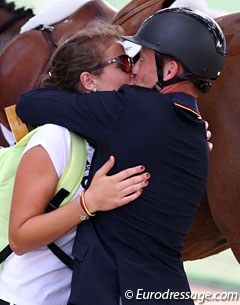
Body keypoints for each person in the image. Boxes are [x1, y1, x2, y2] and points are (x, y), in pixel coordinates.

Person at [16, 8, 226, 305]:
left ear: (169, 70)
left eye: (140, 58)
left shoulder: (133, 110)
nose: (134, 70)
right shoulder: (196, 132)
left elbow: (29, 104)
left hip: (114, 292)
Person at [0, 24, 151, 305]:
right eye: (123, 62)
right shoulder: (55, 137)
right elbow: (20, 237)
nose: (133, 70)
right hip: (28, 297)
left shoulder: (112, 138)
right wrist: (88, 204)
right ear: (88, 80)